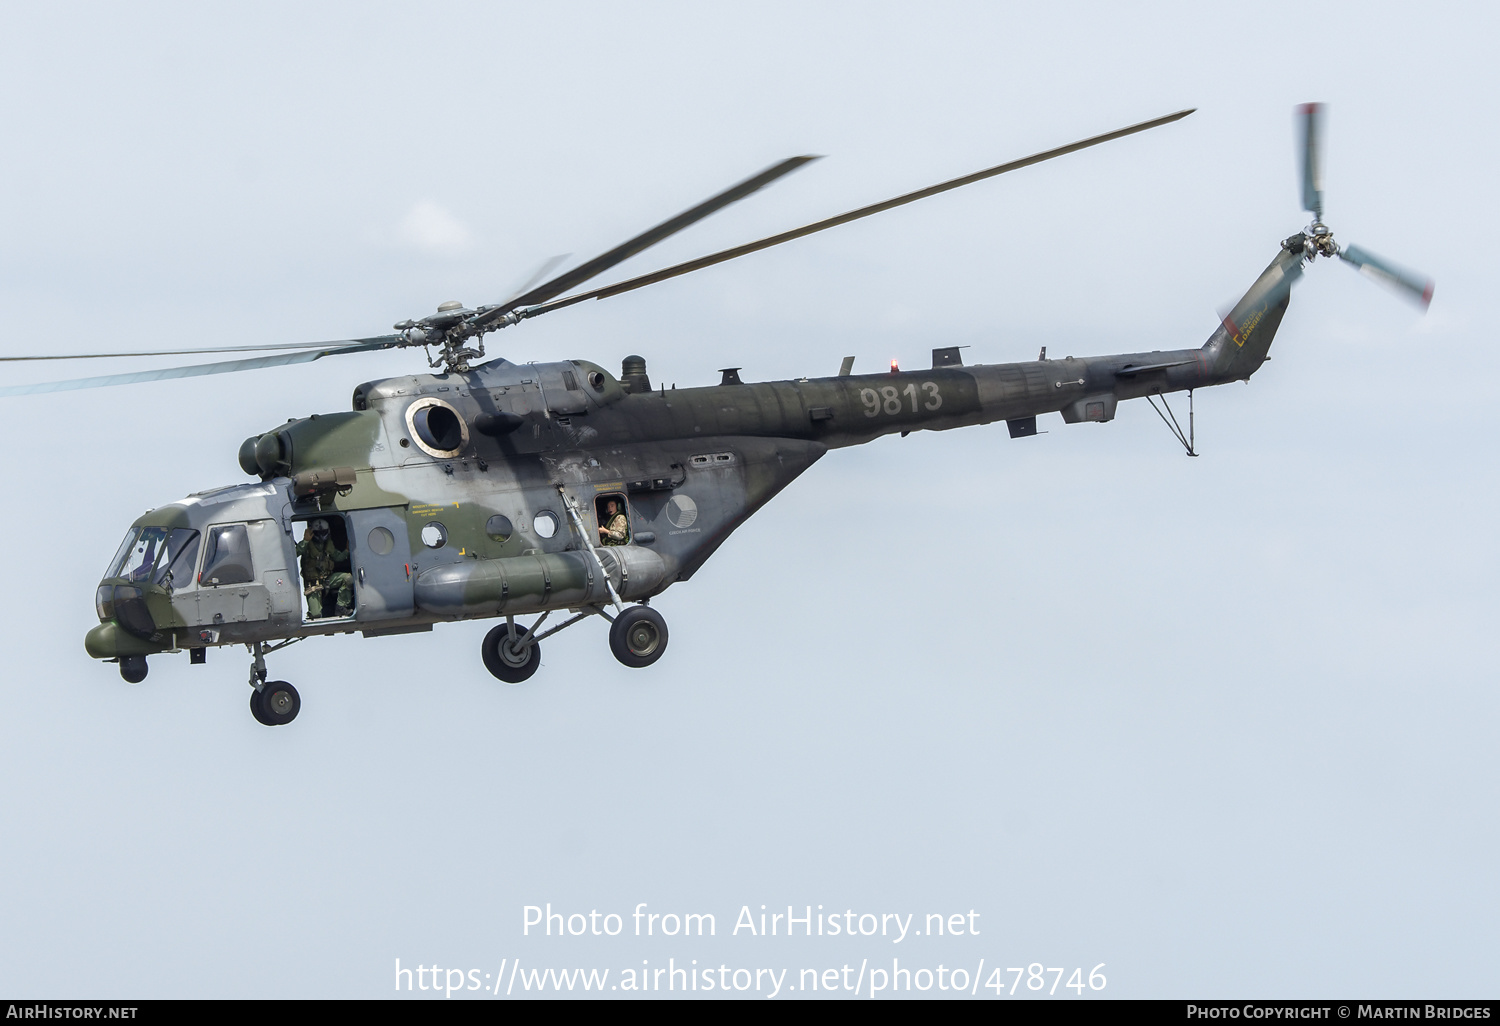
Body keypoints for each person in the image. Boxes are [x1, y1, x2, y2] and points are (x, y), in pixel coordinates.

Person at [296, 518, 353, 618]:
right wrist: (305, 541)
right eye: (319, 532)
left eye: (324, 532)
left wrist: (347, 551)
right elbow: (295, 553)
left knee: (348, 578)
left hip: (328, 579)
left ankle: (341, 607)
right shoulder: (306, 546)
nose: (321, 535)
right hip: (313, 584)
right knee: (316, 615)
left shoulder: (328, 545)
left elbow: (337, 557)